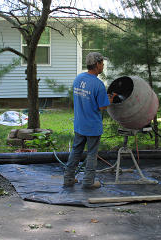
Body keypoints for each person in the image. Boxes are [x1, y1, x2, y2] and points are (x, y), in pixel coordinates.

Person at [64, 52, 113, 189]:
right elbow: (102, 106)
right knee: (92, 154)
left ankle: (68, 178)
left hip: (80, 124)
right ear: (97, 64)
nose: (103, 66)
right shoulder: (98, 84)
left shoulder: (78, 79)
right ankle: (88, 182)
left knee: (75, 151)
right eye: (102, 63)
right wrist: (109, 100)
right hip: (92, 126)